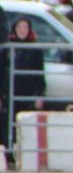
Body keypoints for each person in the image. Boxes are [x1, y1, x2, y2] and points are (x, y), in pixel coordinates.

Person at [4, 16, 46, 156]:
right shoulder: (7, 47)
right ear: (14, 29)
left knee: (25, 125)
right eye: (19, 27)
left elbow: (39, 74)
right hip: (9, 92)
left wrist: (40, 95)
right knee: (8, 125)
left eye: (25, 27)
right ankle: (9, 156)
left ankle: (26, 155)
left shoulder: (35, 48)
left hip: (27, 93)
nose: (22, 31)